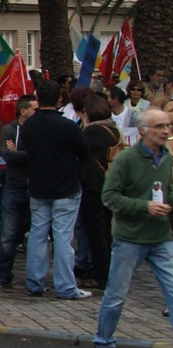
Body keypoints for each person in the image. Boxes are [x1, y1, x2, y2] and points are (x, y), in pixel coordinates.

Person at [90, 108, 173, 348]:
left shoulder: (168, 158)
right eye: (159, 126)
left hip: (161, 237)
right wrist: (144, 206)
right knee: (116, 294)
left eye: (168, 125)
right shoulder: (127, 160)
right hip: (130, 238)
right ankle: (103, 344)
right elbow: (109, 197)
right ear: (142, 130)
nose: (166, 131)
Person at [19, 78, 93, 302]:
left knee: (38, 234)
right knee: (63, 238)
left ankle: (34, 281)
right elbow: (85, 151)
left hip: (39, 186)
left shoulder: (29, 125)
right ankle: (66, 286)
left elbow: (25, 150)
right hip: (66, 186)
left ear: (37, 98)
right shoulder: (68, 125)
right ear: (60, 99)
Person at [76, 94, 121, 290]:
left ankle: (101, 273)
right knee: (105, 232)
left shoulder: (91, 132)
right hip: (109, 184)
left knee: (96, 233)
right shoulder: (113, 129)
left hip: (93, 187)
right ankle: (104, 269)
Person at [0, 92, 37, 287]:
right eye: (34, 109)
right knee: (8, 236)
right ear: (23, 111)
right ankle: (4, 275)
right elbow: (6, 155)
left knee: (33, 235)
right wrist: (22, 155)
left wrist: (19, 153)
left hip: (34, 189)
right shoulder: (8, 130)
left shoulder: (38, 130)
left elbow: (37, 155)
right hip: (13, 187)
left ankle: (34, 277)